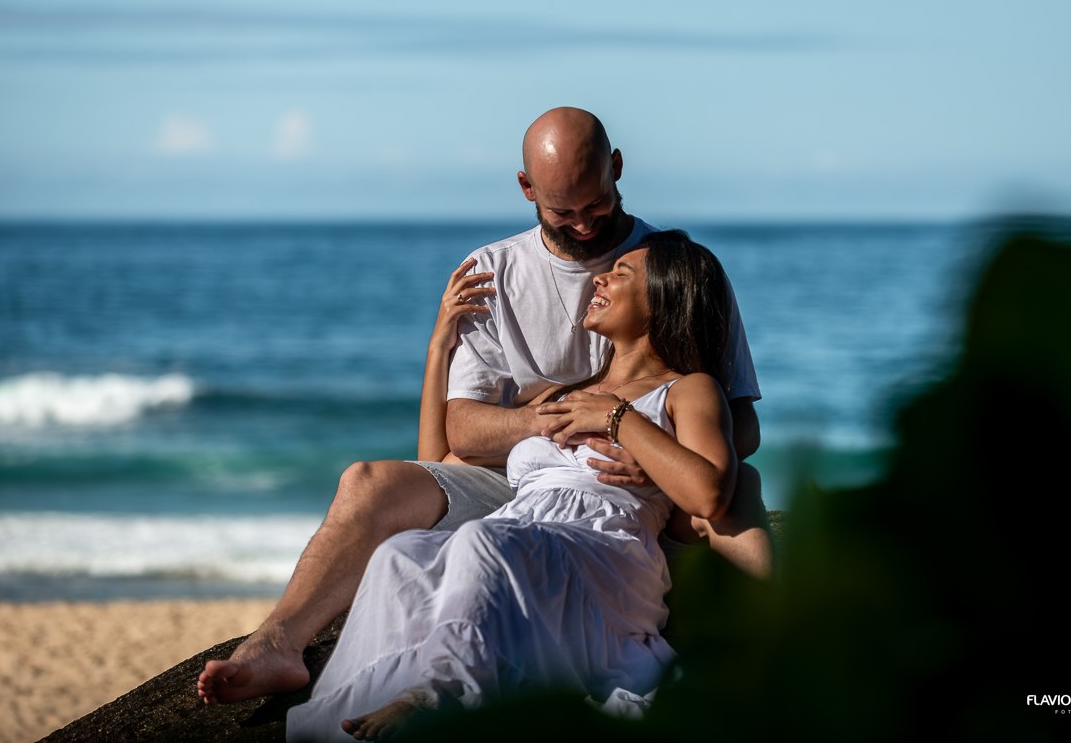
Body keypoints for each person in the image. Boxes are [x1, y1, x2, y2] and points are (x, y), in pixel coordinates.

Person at [197, 107, 770, 706]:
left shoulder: (673, 271)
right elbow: (459, 432)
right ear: (526, 189)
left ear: (617, 168)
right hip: (523, 482)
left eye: (594, 205)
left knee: (738, 485)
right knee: (368, 482)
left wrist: (640, 447)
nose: (581, 225)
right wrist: (548, 419)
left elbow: (739, 423)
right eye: (560, 211)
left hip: (631, 496)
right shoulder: (492, 273)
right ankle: (278, 643)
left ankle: (771, 638)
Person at [287, 231, 737, 742]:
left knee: (483, 541)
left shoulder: (687, 389)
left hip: (603, 552)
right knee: (403, 555)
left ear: (663, 298)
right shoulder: (567, 394)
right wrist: (440, 345)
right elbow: (438, 461)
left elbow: (710, 493)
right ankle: (345, 723)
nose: (600, 276)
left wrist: (617, 419)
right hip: (521, 537)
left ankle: (443, 696)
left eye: (622, 273)